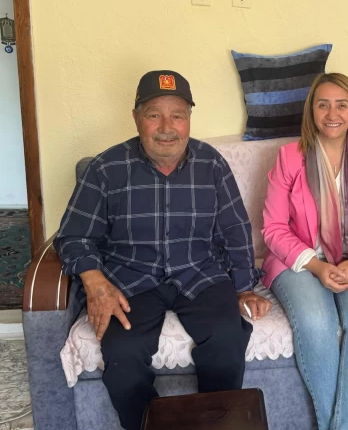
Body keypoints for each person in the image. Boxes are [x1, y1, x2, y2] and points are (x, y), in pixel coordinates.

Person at [54, 70, 271, 430]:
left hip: (199, 272)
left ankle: (215, 426)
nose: (167, 127)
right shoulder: (106, 169)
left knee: (227, 339)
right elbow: (73, 236)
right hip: (129, 277)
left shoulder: (211, 164)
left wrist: (245, 286)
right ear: (136, 117)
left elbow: (234, 229)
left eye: (178, 115)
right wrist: (94, 281)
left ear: (189, 120)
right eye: (154, 114)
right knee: (122, 355)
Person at [261, 73, 348, 430]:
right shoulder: (290, 157)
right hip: (299, 261)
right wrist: (317, 267)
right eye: (323, 105)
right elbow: (273, 228)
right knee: (317, 322)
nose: (332, 114)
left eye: (341, 105)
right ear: (311, 112)